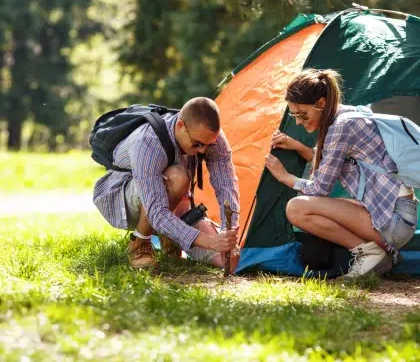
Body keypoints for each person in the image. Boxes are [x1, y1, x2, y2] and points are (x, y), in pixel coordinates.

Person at [264, 69, 418, 278]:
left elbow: (321, 187)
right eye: (294, 115)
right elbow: (333, 162)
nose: (298, 121)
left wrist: (285, 177)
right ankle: (381, 253)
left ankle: (369, 253)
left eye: (302, 114)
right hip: (399, 214)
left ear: (320, 103)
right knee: (323, 204)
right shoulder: (348, 114)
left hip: (394, 220)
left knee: (296, 208)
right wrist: (300, 148)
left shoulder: (341, 127)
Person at [93, 97, 240, 271]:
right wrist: (210, 242)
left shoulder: (211, 139)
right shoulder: (148, 142)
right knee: (177, 177)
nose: (203, 151)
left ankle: (169, 237)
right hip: (128, 197)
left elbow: (226, 186)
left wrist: (227, 232)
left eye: (209, 145)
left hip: (173, 203)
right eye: (198, 144)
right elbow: (157, 213)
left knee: (230, 263)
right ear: (180, 126)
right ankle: (140, 243)